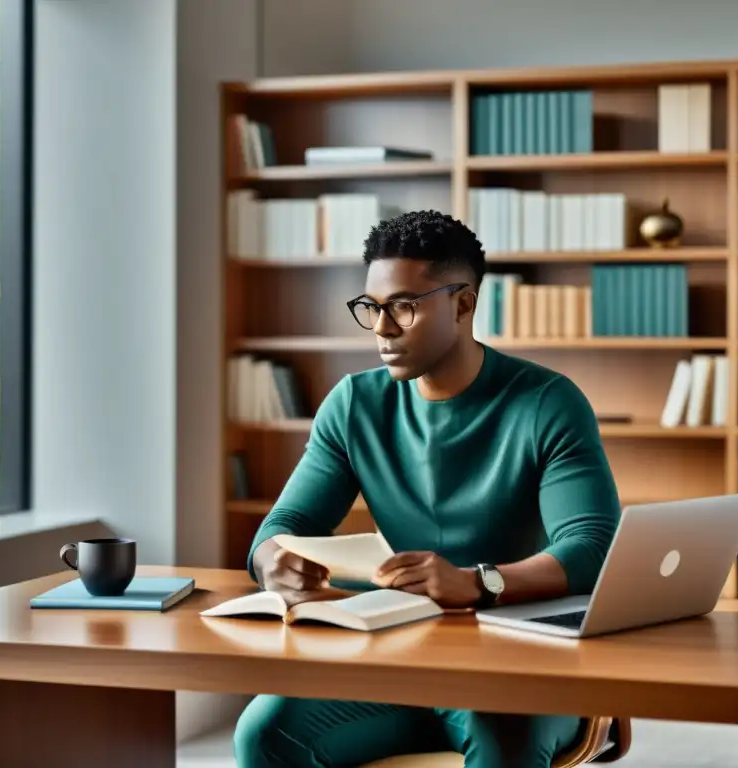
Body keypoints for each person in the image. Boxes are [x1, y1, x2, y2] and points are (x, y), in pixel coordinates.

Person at [234, 210, 622, 768]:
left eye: (404, 307)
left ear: (463, 305)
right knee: (264, 735)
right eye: (372, 308)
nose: (383, 329)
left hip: (524, 661)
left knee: (502, 743)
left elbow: (592, 548)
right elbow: (281, 527)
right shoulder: (353, 404)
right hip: (396, 655)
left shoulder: (547, 402)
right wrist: (274, 560)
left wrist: (477, 583)